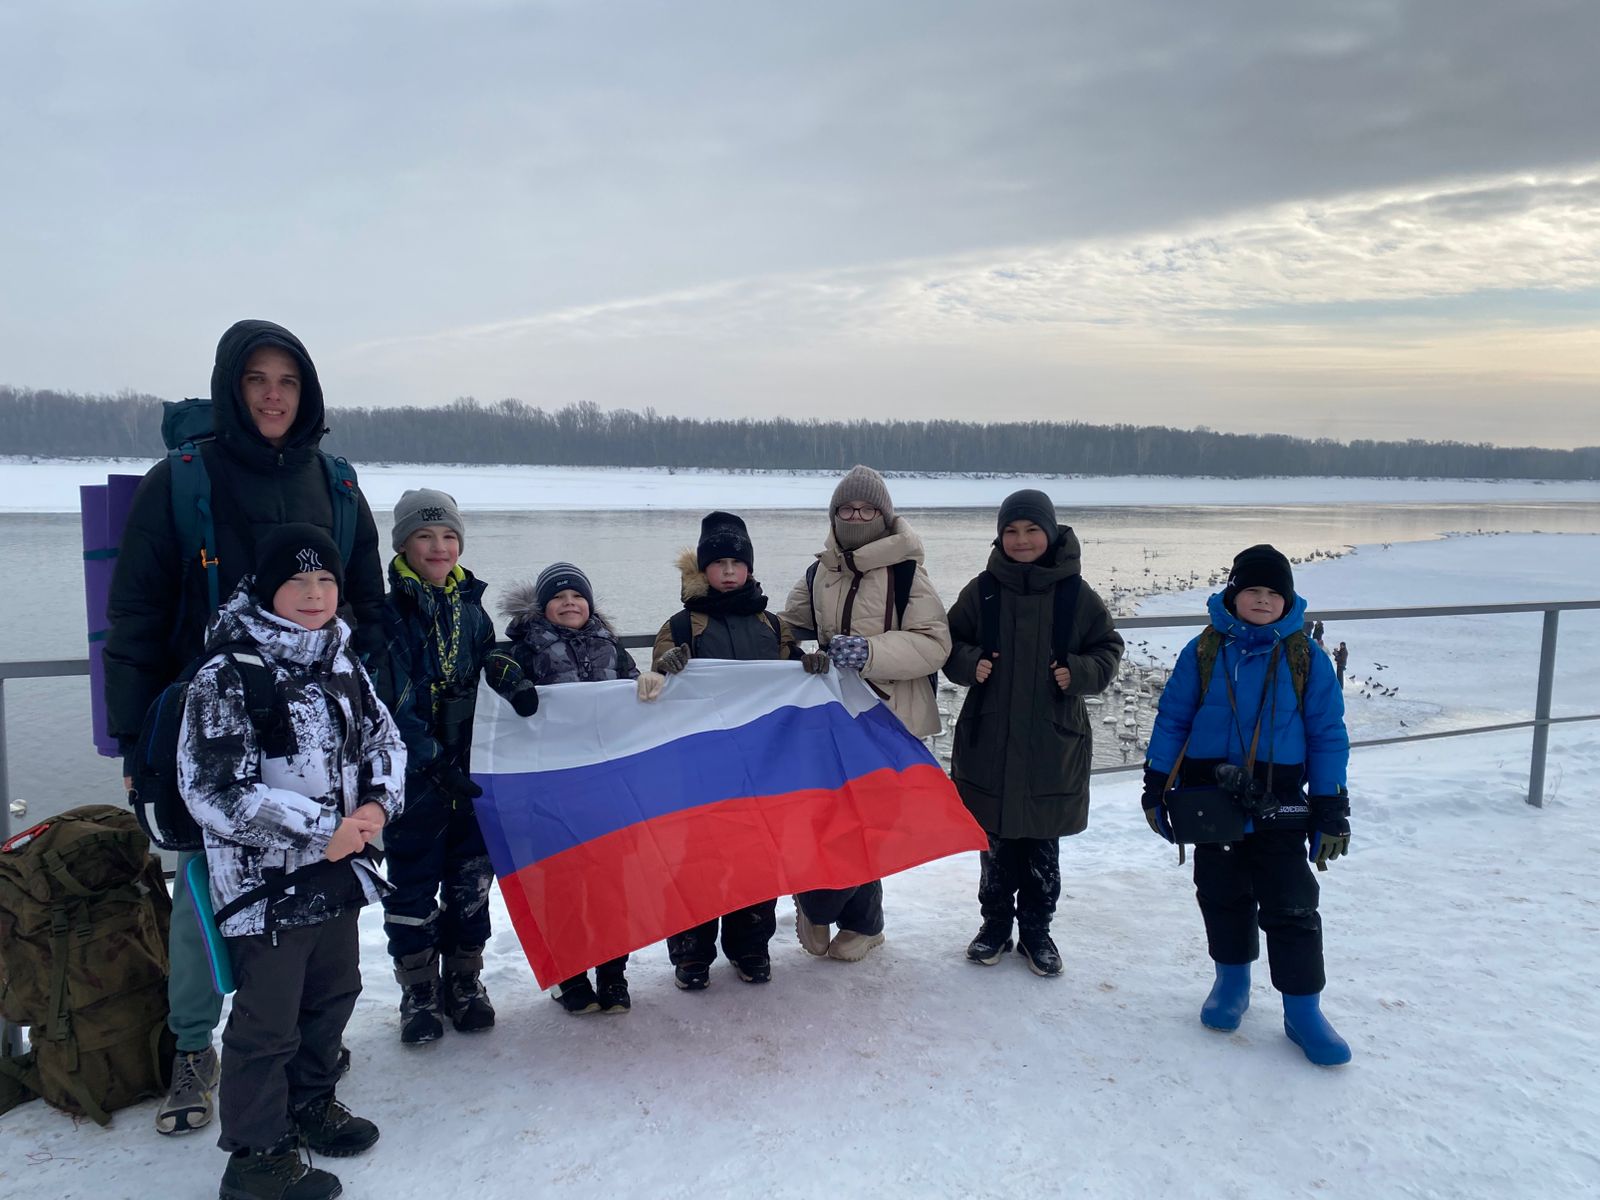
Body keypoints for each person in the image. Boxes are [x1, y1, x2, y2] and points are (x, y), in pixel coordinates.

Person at [104, 319, 388, 1135]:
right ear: (233, 386)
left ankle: (300, 1057)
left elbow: (367, 602)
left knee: (318, 901)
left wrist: (361, 707)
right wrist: (134, 743)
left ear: (308, 393)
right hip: (214, 730)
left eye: (288, 381)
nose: (272, 395)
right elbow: (136, 617)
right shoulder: (182, 482)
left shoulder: (334, 485)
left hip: (318, 739)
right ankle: (196, 1046)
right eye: (257, 379)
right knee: (204, 898)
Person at [179, 525, 405, 1199]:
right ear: (267, 590)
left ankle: (310, 1103)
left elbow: (385, 742)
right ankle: (255, 1154)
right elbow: (213, 789)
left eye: (327, 581)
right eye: (298, 581)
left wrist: (376, 809)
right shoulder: (229, 673)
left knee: (334, 995)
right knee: (267, 1022)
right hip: (263, 886)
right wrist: (319, 829)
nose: (314, 595)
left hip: (338, 871)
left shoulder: (342, 662)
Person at [1140, 544, 1353, 1066]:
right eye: (1252, 590)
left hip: (1280, 802)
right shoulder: (1204, 651)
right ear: (1234, 595)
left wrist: (1331, 805)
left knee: (1293, 904)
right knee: (1221, 893)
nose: (1261, 600)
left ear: (1287, 600)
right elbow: (1173, 719)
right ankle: (1230, 982)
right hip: (1212, 800)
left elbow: (1328, 734)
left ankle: (1303, 1011)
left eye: (1272, 593)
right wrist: (1155, 784)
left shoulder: (1307, 657)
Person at [943, 490, 1124, 977]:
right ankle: (994, 926)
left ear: (1050, 533)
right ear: (1000, 537)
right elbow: (947, 640)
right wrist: (968, 663)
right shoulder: (982, 591)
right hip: (990, 741)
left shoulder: (1076, 595)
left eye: (1031, 530)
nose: (1021, 541)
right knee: (995, 843)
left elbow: (1107, 648)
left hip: (1051, 743)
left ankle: (1037, 933)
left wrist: (1079, 672)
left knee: (1043, 846)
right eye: (1011, 531)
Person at [778, 466, 951, 962]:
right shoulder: (818, 573)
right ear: (834, 515)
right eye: (846, 510)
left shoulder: (908, 573)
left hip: (888, 718)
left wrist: (870, 652)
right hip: (830, 720)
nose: (856, 517)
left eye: (867, 510)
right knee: (828, 815)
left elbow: (935, 643)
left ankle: (850, 917)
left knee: (870, 822)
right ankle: (819, 904)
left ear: (884, 515)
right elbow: (783, 629)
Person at [644, 512, 815, 989]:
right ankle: (692, 953)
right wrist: (667, 663)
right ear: (703, 570)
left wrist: (812, 666)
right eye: (717, 563)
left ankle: (750, 947)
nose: (727, 572)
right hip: (699, 767)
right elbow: (655, 677)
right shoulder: (682, 623)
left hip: (761, 765)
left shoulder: (772, 623)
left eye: (736, 563)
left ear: (749, 568)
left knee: (756, 858)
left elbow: (793, 673)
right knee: (697, 859)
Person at [381, 490, 512, 1045]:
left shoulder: (472, 609)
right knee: (412, 889)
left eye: (449, 537)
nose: (439, 547)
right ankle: (418, 991)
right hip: (416, 781)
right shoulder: (389, 615)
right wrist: (432, 762)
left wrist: (507, 668)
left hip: (472, 771)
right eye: (426, 537)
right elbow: (391, 705)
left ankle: (464, 980)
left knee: (470, 883)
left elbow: (485, 662)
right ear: (404, 545)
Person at [500, 560, 640, 1013]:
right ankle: (569, 974)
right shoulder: (524, 647)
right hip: (552, 789)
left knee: (611, 884)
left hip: (605, 785)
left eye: (577, 595)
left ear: (590, 603)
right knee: (563, 885)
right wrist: (508, 678)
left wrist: (651, 685)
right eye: (558, 597)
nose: (569, 603)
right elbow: (499, 693)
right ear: (542, 607)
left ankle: (613, 972)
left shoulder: (612, 646)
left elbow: (635, 692)